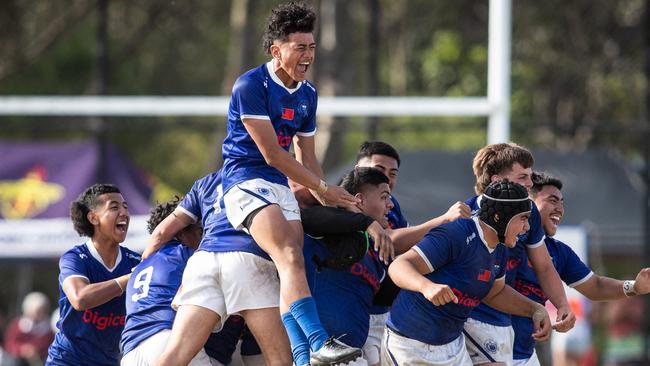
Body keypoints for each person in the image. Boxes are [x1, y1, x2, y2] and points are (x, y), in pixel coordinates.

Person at [219, 1, 365, 365]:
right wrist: (324, 189)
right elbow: (272, 155)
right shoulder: (251, 84)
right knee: (286, 253)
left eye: (312, 47)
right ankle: (318, 341)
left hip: (279, 185)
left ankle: (302, 358)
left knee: (292, 264)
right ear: (276, 50)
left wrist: (332, 199)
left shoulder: (309, 94)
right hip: (245, 181)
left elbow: (308, 159)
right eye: (300, 47)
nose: (308, 55)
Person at [384, 180, 552, 365]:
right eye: (523, 218)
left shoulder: (500, 249)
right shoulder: (457, 234)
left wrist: (535, 309)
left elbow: (495, 293)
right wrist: (426, 286)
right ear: (498, 217)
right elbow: (399, 265)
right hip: (410, 344)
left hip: (452, 346)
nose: (527, 227)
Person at [510, 171, 650, 366]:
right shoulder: (508, 241)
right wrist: (536, 309)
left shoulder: (559, 252)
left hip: (523, 353)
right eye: (552, 200)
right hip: (489, 347)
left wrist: (635, 287)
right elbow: (492, 289)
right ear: (530, 203)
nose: (559, 208)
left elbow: (596, 286)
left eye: (562, 202)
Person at [148, 171, 285, 366]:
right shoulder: (272, 174)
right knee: (279, 359)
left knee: (176, 354)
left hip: (204, 260)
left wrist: (143, 265)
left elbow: (160, 233)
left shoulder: (205, 182)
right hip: (247, 258)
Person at [355, 141, 471, 366]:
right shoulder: (347, 201)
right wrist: (444, 220)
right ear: (358, 170)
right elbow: (391, 241)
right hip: (355, 315)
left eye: (393, 173)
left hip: (383, 312)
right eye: (379, 170)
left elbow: (407, 244)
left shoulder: (391, 204)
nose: (387, 179)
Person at [462, 142, 575, 366]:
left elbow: (543, 265)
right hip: (473, 317)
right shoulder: (467, 220)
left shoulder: (529, 212)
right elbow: (485, 288)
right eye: (523, 177)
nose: (530, 184)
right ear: (497, 181)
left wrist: (562, 304)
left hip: (504, 321)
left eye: (530, 176)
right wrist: (535, 309)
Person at [302, 168, 394, 366]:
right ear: (359, 199)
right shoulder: (330, 228)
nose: (391, 204)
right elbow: (307, 218)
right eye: (384, 196)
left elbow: (386, 300)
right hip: (319, 353)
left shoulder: (377, 254)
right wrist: (366, 222)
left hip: (353, 356)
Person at [46, 184, 141, 366]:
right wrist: (128, 280)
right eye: (114, 207)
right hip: (67, 361)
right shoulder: (74, 258)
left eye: (125, 207)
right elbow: (80, 298)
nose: (124, 213)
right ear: (93, 218)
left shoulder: (135, 262)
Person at [120, 197, 212, 366]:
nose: (202, 229)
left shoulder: (137, 269)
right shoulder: (186, 254)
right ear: (179, 230)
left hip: (130, 354)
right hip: (167, 342)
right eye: (197, 225)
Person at [3, 292, 54, 366]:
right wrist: (22, 349)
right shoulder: (18, 325)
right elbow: (9, 343)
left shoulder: (48, 329)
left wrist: (37, 350)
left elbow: (50, 346)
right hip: (18, 360)